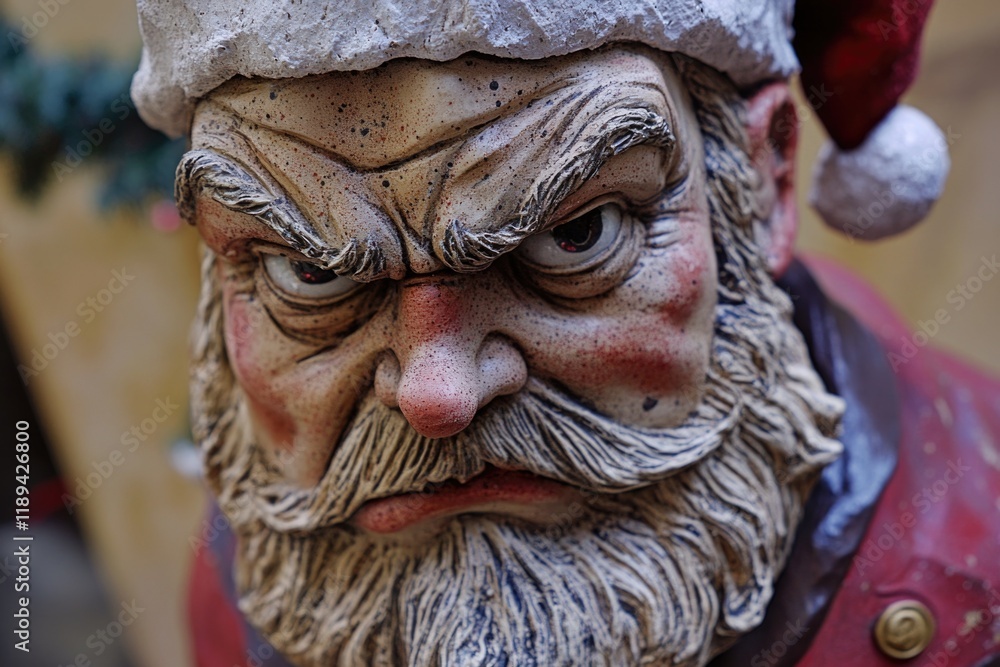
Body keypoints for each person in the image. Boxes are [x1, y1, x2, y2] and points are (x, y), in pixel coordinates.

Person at [131, 1, 1000, 665]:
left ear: (767, 181)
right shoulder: (254, 574)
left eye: (576, 235)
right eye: (310, 271)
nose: (440, 393)